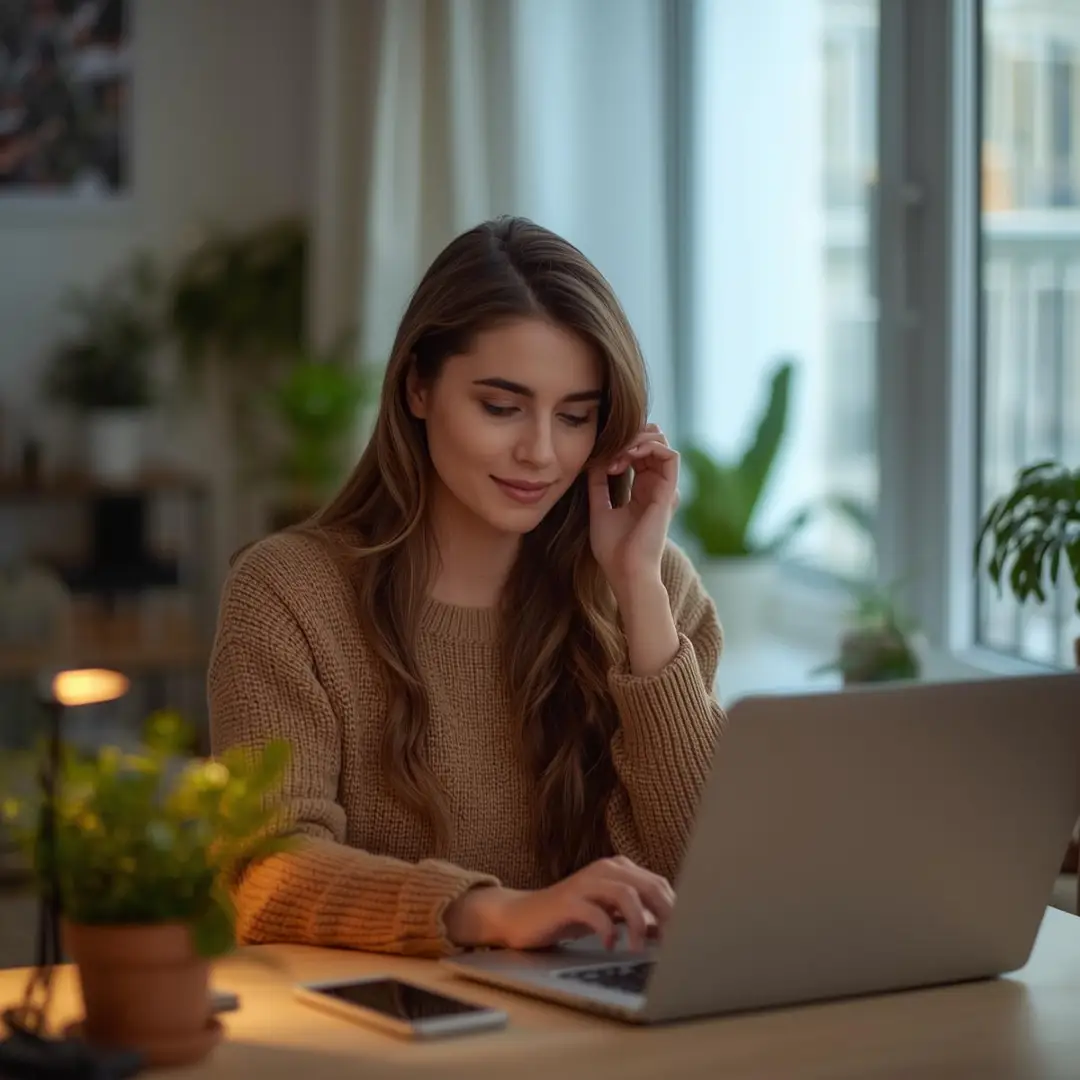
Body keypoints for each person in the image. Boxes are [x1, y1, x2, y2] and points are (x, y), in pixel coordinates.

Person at [209, 216, 726, 959]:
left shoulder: (652, 586)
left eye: (576, 417)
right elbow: (265, 869)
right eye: (501, 407)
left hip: (613, 1033)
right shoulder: (289, 593)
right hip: (391, 1037)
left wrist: (638, 588)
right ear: (419, 386)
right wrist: (492, 912)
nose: (540, 453)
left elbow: (705, 871)